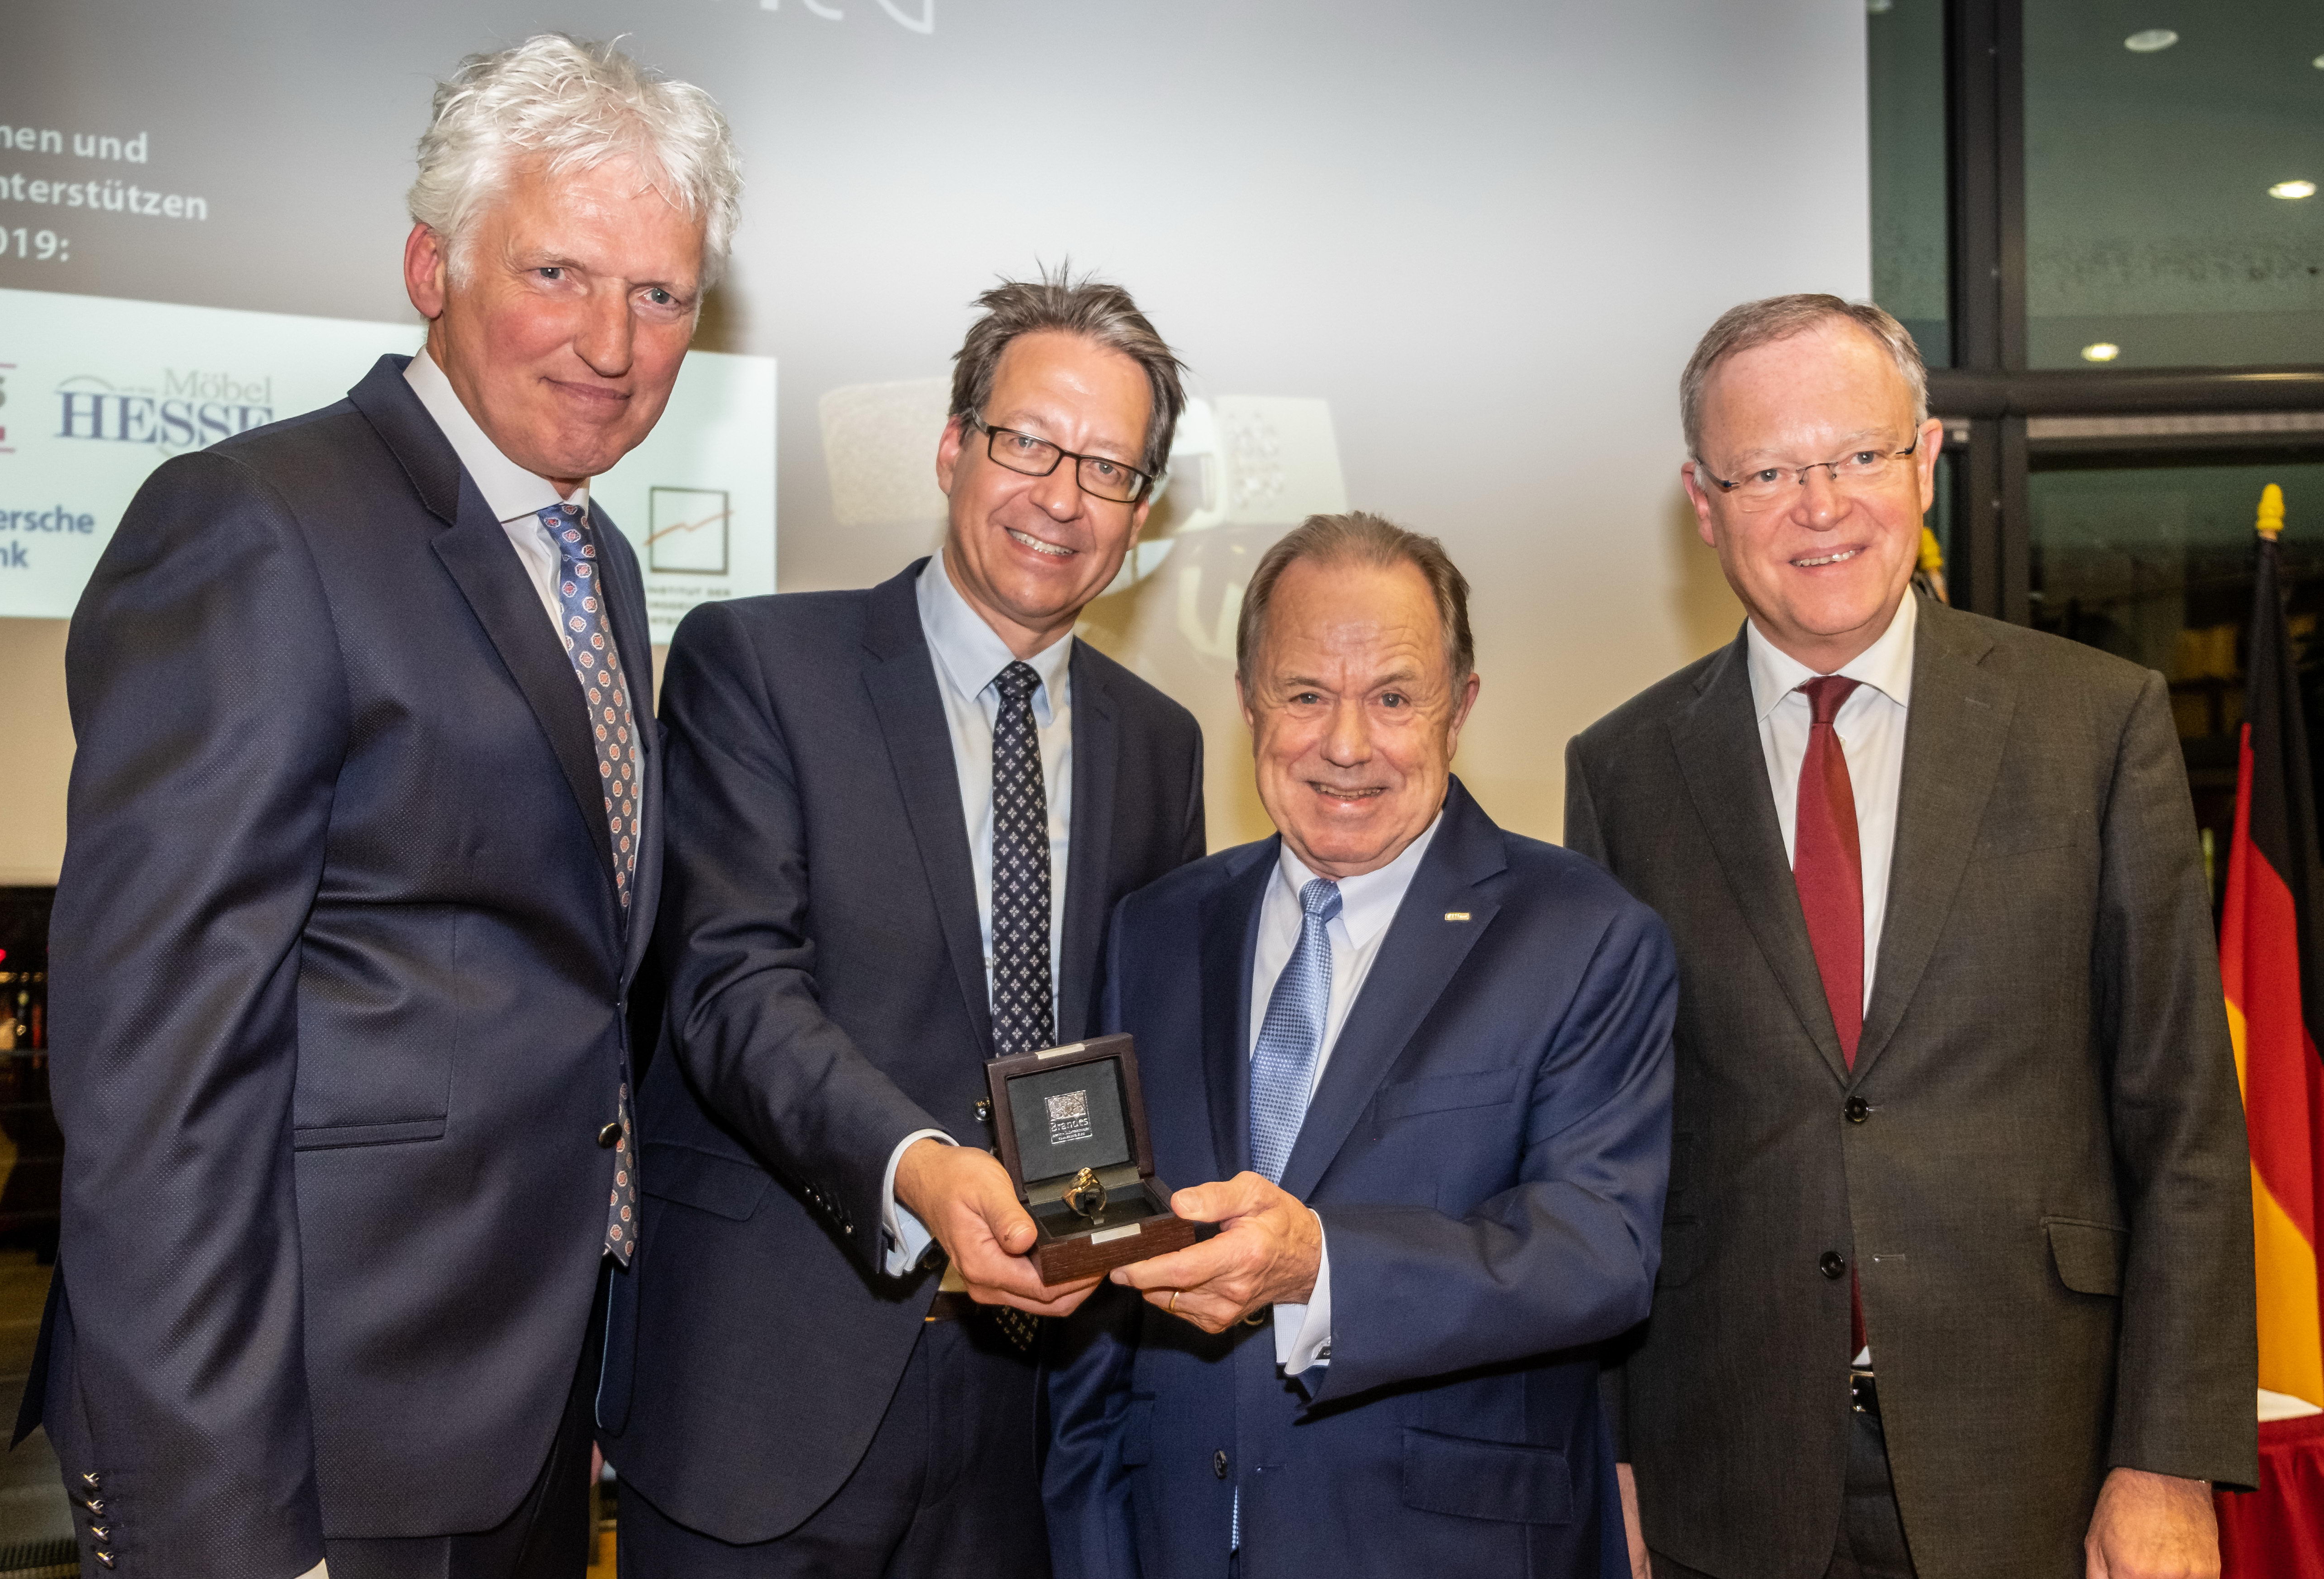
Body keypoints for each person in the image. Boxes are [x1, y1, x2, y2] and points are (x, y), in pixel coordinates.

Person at [16, 36, 739, 1579]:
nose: (612, 342)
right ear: (431, 263)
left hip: (511, 1415)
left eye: (660, 295)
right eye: (556, 271)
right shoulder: (256, 527)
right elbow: (161, 1085)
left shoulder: (593, 559)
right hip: (303, 1447)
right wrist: (226, 1531)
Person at [1565, 295, 2257, 1579]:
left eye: (1854, 456)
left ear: (1924, 458)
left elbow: (2181, 1123)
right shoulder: (1621, 772)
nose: (1817, 504)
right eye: (1766, 469)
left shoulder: (2093, 725)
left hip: (2039, 1466)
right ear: (1700, 500)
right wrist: (1606, 1458)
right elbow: (1605, 1150)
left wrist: (2165, 1459)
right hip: (1722, 1481)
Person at [599, 271, 1207, 1578]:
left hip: (1024, 1416)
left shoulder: (1161, 746)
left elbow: (1128, 1045)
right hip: (764, 1394)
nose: (1059, 494)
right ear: (951, 447)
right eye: (1026, 442)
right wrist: (924, 1171)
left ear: (1141, 513)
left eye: (1105, 467)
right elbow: (728, 991)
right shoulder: (757, 664)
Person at [1045, 512, 1678, 1579]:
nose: (1347, 745)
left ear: (1460, 707)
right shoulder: (1154, 928)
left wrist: (1322, 1268)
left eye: (1393, 697)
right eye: (1305, 695)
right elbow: (1098, 1266)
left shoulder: (1586, 934)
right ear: (1248, 701)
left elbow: (1598, 1254)